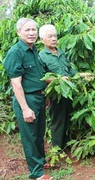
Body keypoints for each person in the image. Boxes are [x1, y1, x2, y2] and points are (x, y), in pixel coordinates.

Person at [3, 18, 53, 180]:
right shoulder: (15, 52)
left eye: (33, 30)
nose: (31, 33)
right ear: (19, 32)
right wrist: (25, 108)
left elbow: (37, 76)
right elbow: (16, 84)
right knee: (30, 136)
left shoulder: (34, 50)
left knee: (39, 134)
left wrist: (44, 95)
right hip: (27, 100)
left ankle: (41, 161)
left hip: (38, 98)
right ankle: (37, 173)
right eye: (27, 30)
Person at [39, 24, 76, 150]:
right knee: (58, 120)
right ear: (42, 39)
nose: (54, 39)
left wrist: (79, 76)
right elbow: (42, 77)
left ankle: (65, 144)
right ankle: (57, 148)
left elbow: (69, 69)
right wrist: (58, 79)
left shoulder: (61, 52)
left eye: (55, 36)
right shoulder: (42, 56)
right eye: (50, 36)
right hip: (56, 94)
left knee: (67, 118)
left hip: (68, 91)